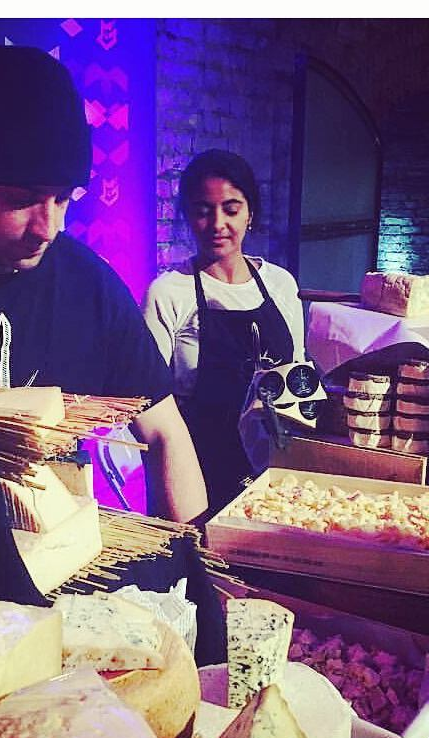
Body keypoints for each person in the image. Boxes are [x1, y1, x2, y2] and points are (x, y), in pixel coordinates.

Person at [0, 45, 207, 524]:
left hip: (53, 541)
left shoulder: (89, 285)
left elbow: (164, 432)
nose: (48, 228)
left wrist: (188, 552)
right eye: (21, 200)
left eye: (62, 198)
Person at [142, 149, 306, 512]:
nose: (217, 224)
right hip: (196, 472)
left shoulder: (280, 284)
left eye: (231, 209)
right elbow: (148, 402)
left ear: (250, 213)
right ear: (187, 215)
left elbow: (296, 374)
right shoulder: (169, 293)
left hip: (275, 472)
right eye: (203, 210)